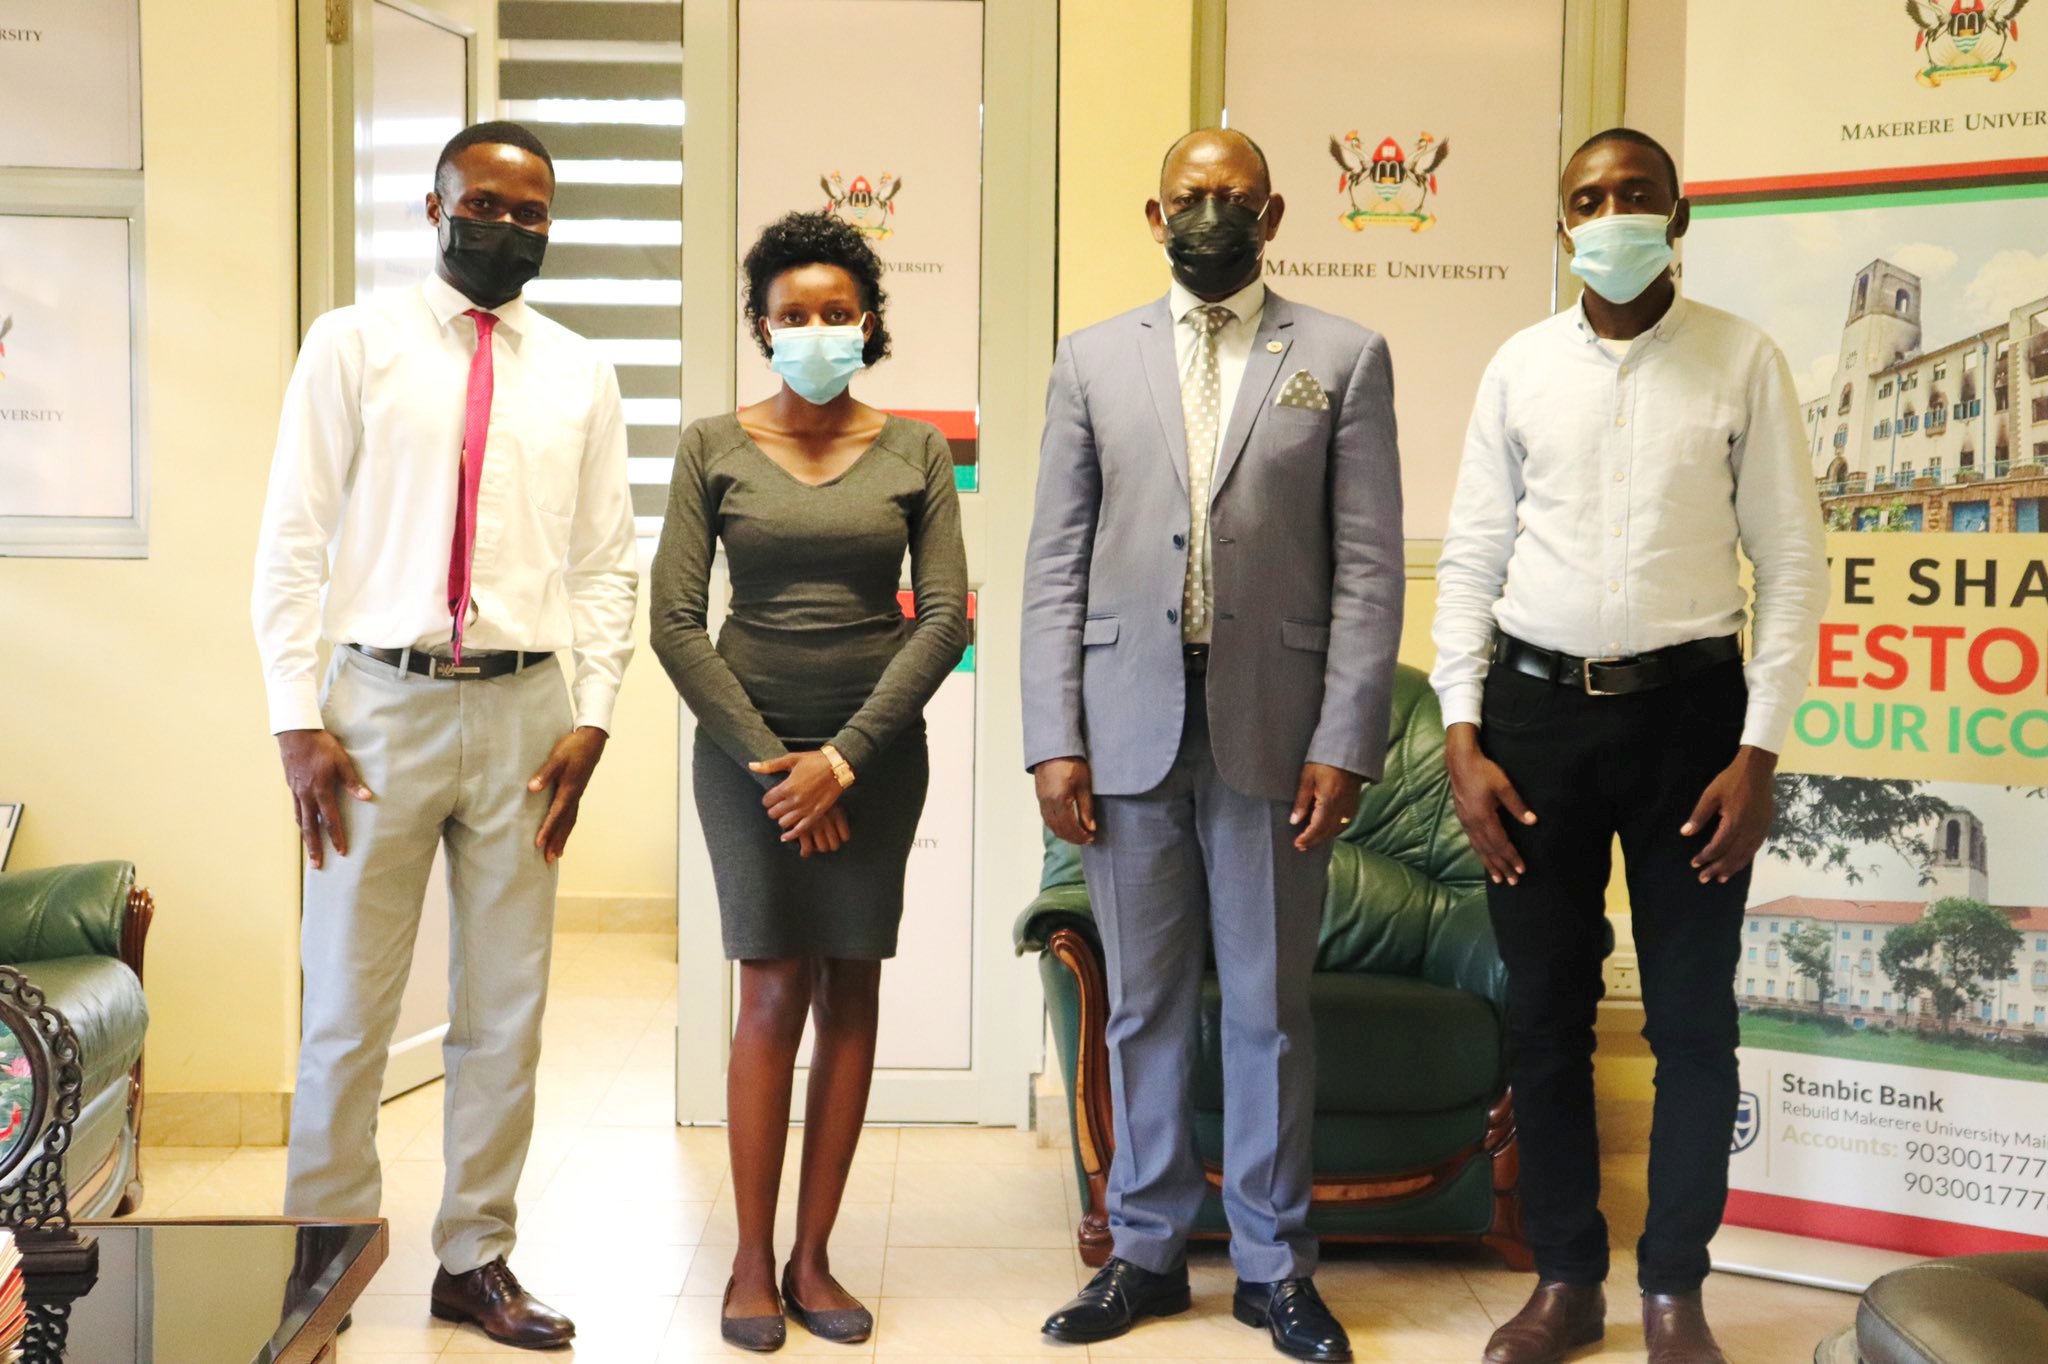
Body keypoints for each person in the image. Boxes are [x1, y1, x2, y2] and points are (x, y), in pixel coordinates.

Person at [1431, 128, 1828, 1364]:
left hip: (1693, 729)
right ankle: (1563, 1278)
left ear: (1677, 214)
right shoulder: (1517, 367)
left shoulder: (1739, 360)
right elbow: (1473, 561)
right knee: (1541, 1016)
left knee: (1690, 1023)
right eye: (1586, 200)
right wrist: (1461, 735)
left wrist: (1758, 751)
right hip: (1533, 722)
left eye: (1633, 196)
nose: (1609, 216)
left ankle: (1672, 1288)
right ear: (1562, 224)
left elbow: (1794, 562)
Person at [251, 120, 638, 1351]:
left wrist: (593, 713)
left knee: (505, 1008)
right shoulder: (352, 344)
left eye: (531, 213)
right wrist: (295, 718)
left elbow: (602, 563)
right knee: (348, 1007)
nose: (508, 228)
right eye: (486, 204)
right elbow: (292, 540)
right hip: (376, 708)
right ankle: (324, 1246)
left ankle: (475, 1256)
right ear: (434, 209)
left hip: (528, 712)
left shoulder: (579, 368)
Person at [1022, 128, 1404, 1364]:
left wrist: (1344, 737)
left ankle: (1273, 1266)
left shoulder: (1342, 356)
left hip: (1274, 730)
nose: (1210, 212)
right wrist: (1051, 734)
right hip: (1123, 728)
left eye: (1232, 195)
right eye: (1190, 195)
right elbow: (1052, 565)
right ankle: (1140, 1252)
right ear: (1153, 212)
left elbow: (1366, 565)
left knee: (1268, 1009)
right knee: (1137, 1006)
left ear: (1273, 210)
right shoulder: (1089, 359)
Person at [651, 211, 967, 1353]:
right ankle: (746, 1256)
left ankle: (812, 1254)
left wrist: (840, 761)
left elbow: (940, 619)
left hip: (871, 758)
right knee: (770, 987)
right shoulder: (708, 446)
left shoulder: (915, 450)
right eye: (794, 315)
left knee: (851, 988)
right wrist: (772, 764)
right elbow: (675, 623)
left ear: (868, 323)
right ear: (760, 327)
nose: (817, 330)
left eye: (838, 313)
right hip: (746, 759)